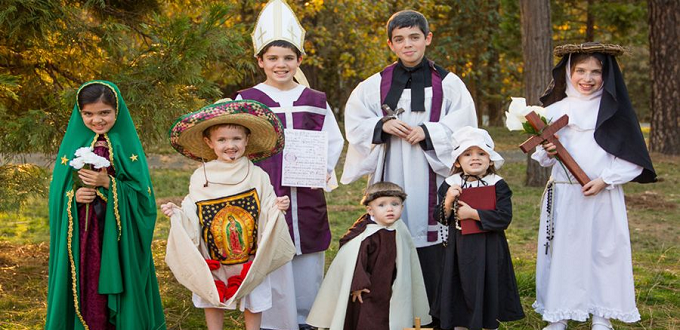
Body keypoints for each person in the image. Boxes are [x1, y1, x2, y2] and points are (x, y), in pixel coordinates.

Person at [340, 9, 478, 316]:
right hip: (391, 167)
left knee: (433, 233)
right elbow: (356, 122)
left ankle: (437, 309)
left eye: (415, 37)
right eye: (400, 39)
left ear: (427, 39)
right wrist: (381, 126)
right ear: (390, 44)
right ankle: (390, 309)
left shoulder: (450, 83)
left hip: (433, 170)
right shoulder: (374, 84)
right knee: (391, 228)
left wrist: (429, 132)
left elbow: (465, 125)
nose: (408, 45)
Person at [234, 0, 344, 328]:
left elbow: (332, 139)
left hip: (307, 191)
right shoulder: (247, 99)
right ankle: (272, 322)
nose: (281, 65)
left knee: (308, 257)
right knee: (271, 255)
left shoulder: (316, 100)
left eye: (288, 58)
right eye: (273, 59)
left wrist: (323, 167)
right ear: (260, 61)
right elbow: (237, 141)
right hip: (267, 191)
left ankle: (308, 318)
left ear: (299, 60)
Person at [531, 43, 657, 330]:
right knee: (562, 251)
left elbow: (632, 159)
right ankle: (559, 313)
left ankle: (602, 314)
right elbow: (541, 157)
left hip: (602, 194)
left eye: (596, 72)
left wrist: (605, 180)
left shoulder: (613, 111)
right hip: (564, 193)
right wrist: (548, 151)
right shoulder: (554, 110)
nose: (587, 79)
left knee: (604, 251)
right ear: (568, 72)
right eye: (580, 71)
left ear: (607, 76)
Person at [162, 99, 296, 330]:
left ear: (247, 140)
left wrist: (277, 207)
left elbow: (266, 206)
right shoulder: (201, 176)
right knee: (213, 293)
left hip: (249, 253)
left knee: (254, 297)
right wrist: (178, 213)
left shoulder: (257, 175)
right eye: (222, 140)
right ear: (209, 142)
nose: (230, 145)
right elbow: (193, 210)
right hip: (213, 252)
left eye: (236, 139)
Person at [45, 80, 166, 329]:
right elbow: (59, 191)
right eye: (88, 114)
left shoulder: (126, 145)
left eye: (104, 113)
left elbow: (144, 200)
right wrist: (73, 197)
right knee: (85, 280)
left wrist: (109, 183)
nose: (96, 120)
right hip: (83, 235)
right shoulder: (73, 144)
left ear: (116, 111)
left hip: (117, 238)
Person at [430, 126, 524, 330]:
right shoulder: (450, 184)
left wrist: (473, 214)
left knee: (488, 284)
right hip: (459, 247)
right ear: (457, 161)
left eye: (481, 153)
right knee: (461, 285)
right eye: (468, 154)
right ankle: (461, 324)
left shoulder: (497, 184)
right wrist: (448, 202)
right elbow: (439, 217)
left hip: (490, 247)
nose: (475, 158)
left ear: (490, 159)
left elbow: (504, 217)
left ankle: (489, 323)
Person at [306, 182, 431, 330]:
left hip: (390, 286)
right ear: (370, 210)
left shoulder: (400, 229)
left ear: (402, 208)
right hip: (368, 289)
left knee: (388, 316)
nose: (390, 209)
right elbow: (357, 261)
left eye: (395, 204)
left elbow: (406, 259)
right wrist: (358, 285)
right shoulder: (365, 235)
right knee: (369, 319)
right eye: (382, 205)